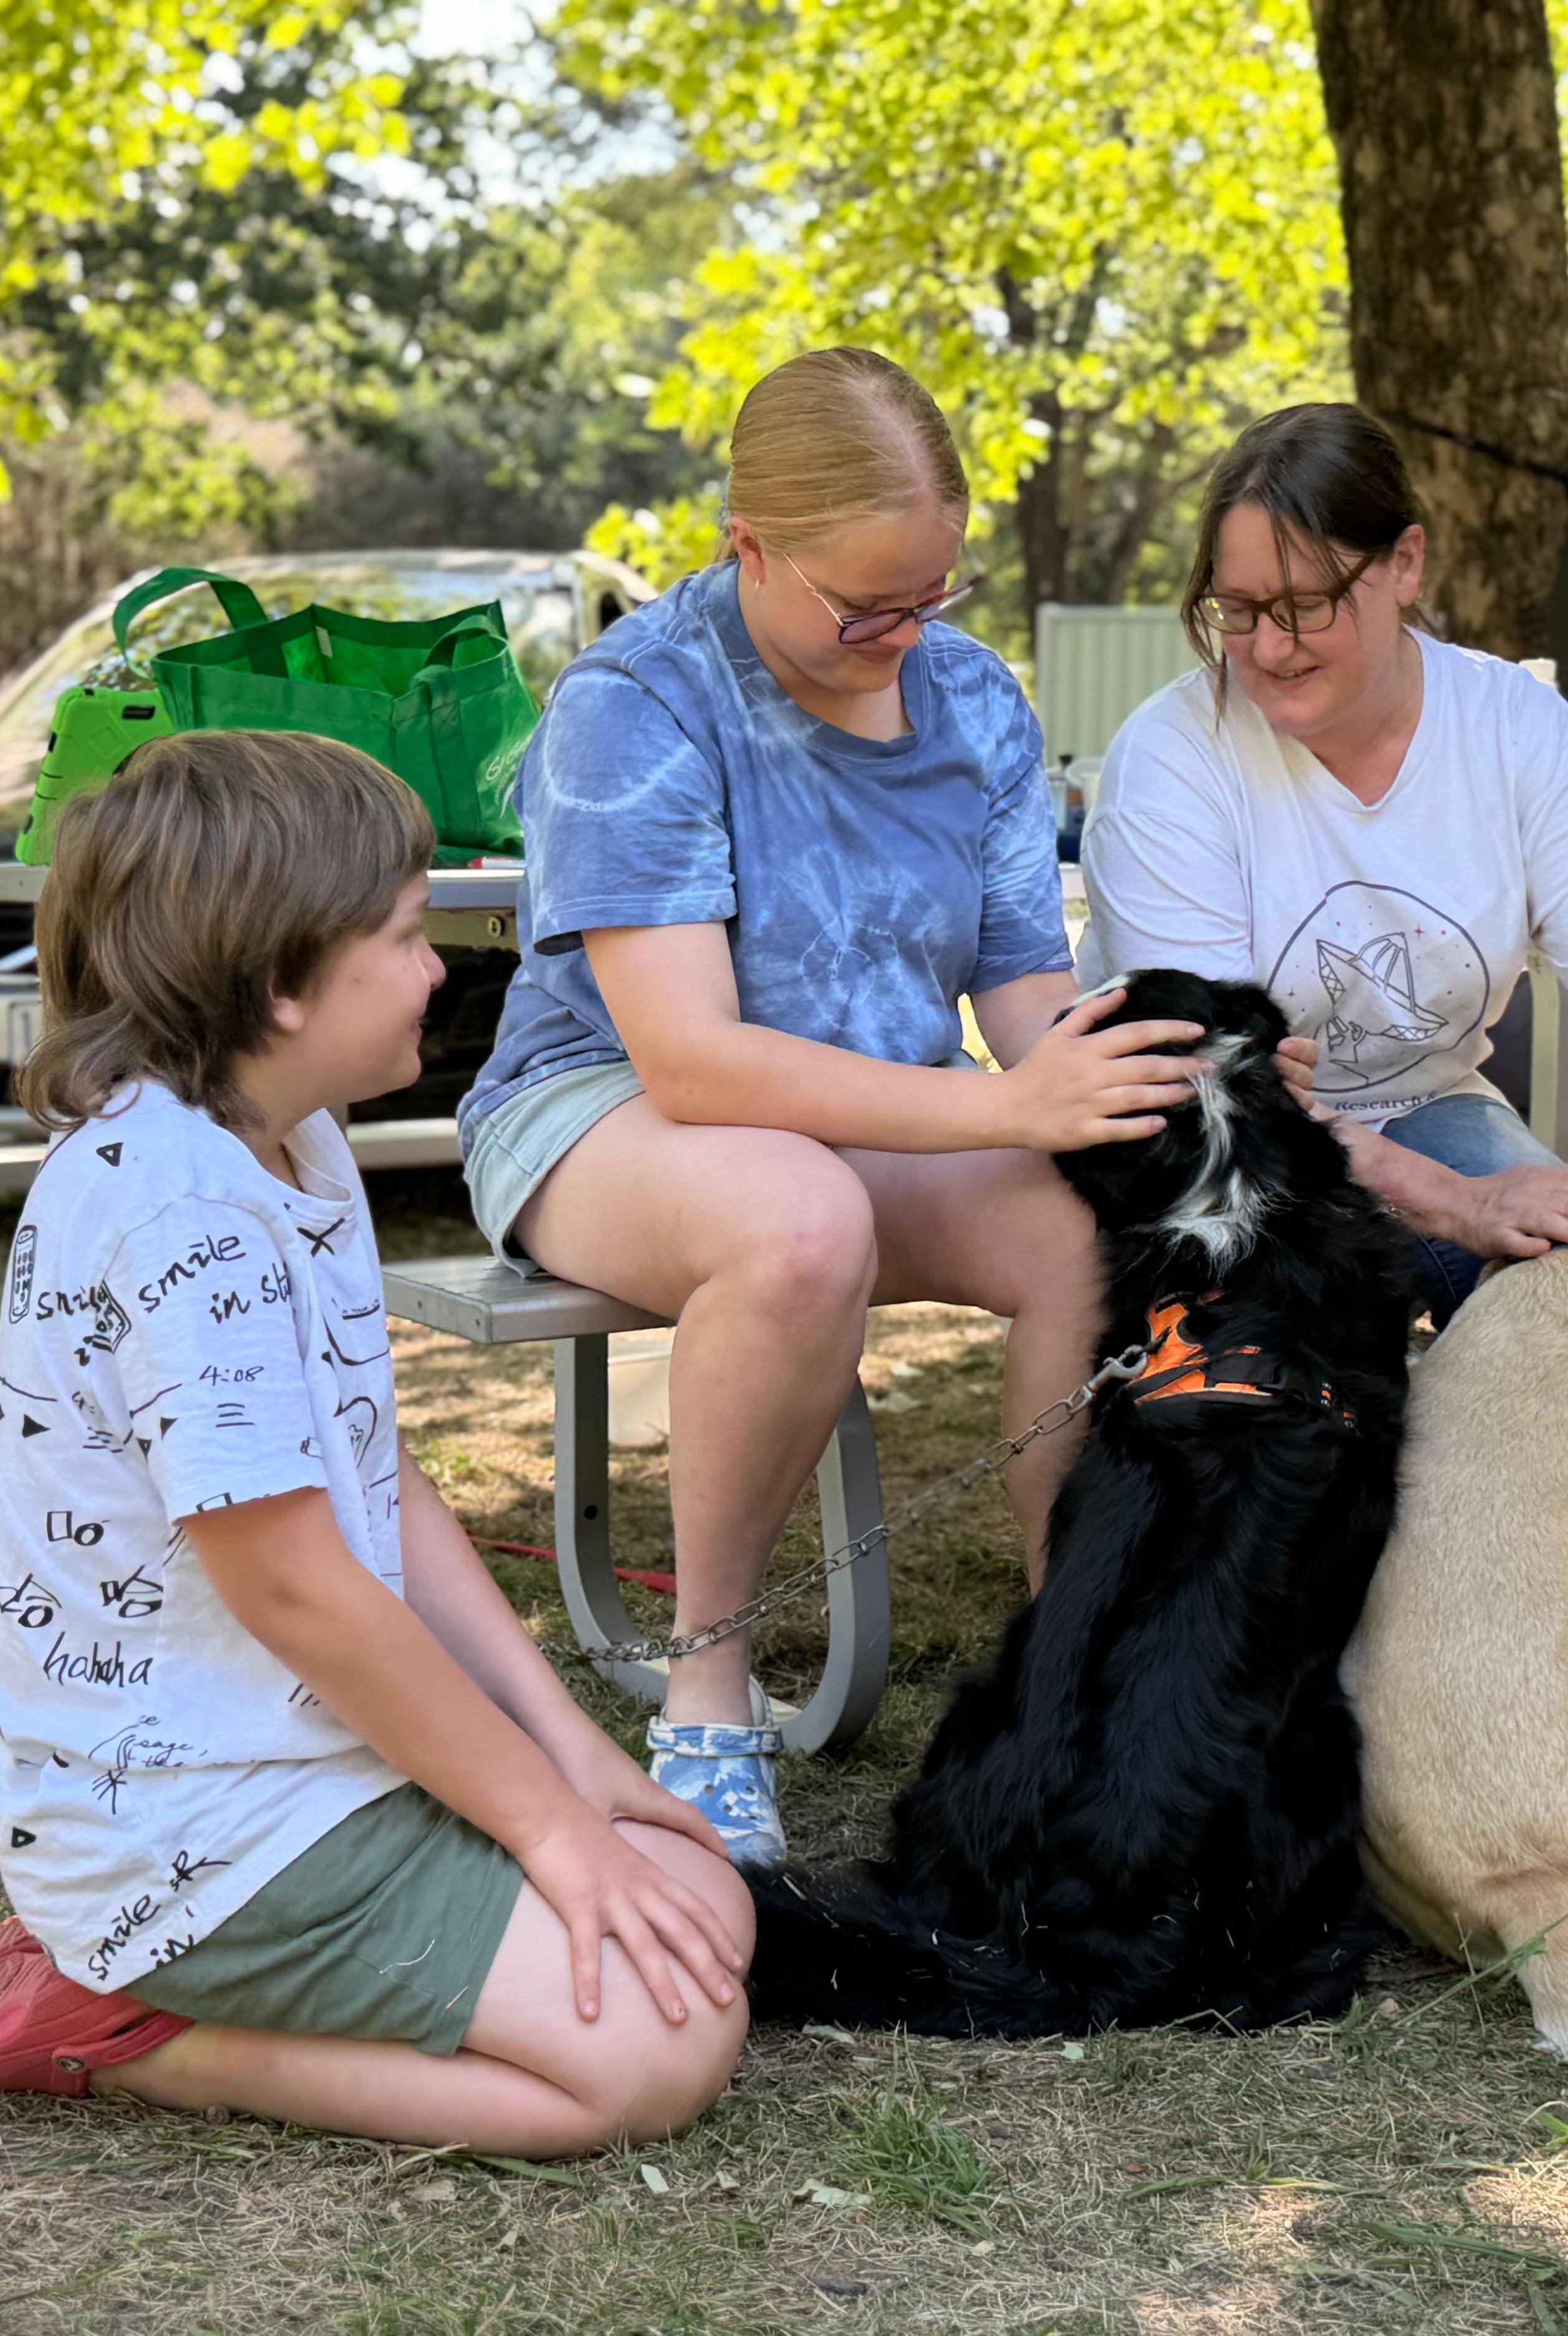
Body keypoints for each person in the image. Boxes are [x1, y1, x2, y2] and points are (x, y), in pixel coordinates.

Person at [0, 731, 752, 2157]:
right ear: (282, 982)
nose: (436, 970)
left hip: (313, 1773)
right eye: (404, 935)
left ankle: (170, 1983)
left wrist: (570, 1757)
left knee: (700, 1909)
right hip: (195, 1841)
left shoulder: (293, 1144)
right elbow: (300, 1589)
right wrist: (544, 1828)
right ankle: (130, 2036)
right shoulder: (179, 1214)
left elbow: (373, 1476)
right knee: (660, 2054)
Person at [457, 347, 1205, 1866]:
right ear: (748, 547)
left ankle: (1076, 1673)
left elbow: (1020, 993)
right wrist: (1012, 1110)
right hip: (604, 1108)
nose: (905, 636)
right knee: (799, 1223)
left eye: (932, 593)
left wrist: (1135, 1076)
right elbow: (694, 1064)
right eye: (866, 606)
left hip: (883, 1114)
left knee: (1096, 1218)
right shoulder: (634, 703)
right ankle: (707, 1699)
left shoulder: (974, 698)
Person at [1078, 404, 1568, 1408]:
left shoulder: (1521, 732)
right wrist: (1465, 1204)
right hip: (1217, 1156)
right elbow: (1229, 1094)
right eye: (1238, 610)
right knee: (1276, 1402)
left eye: (1306, 604)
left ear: (1405, 564)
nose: (1269, 647)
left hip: (1428, 1109)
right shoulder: (1173, 759)